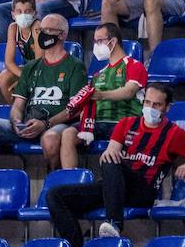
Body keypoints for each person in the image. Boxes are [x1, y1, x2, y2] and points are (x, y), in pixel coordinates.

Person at [47, 83, 185, 247]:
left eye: (157, 104)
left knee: (112, 160)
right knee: (55, 195)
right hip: (114, 187)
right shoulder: (126, 124)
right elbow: (110, 153)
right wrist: (109, 155)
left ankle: (114, 223)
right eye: (147, 102)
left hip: (143, 190)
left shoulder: (173, 133)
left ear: (167, 108)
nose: (150, 108)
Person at [0, 14, 86, 176]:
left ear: (61, 35)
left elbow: (76, 108)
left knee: (50, 139)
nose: (43, 34)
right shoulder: (31, 67)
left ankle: (55, 178)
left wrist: (45, 124)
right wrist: (16, 121)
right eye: (40, 30)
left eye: (48, 30)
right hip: (27, 123)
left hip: (53, 124)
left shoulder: (74, 66)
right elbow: (18, 104)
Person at [59, 22, 148, 169]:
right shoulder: (98, 74)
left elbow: (129, 91)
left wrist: (102, 95)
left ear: (112, 42)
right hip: (97, 123)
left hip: (122, 122)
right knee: (68, 134)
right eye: (95, 41)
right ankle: (71, 181)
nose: (96, 45)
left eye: (100, 41)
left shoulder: (134, 65)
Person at [0, 0, 42, 100]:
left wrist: (25, 80)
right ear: (13, 15)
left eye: (27, 12)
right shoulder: (13, 28)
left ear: (35, 14)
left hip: (44, 67)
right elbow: (9, 62)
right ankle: (16, 113)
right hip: (29, 68)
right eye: (19, 11)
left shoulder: (37, 26)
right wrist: (24, 78)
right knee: (3, 78)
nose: (23, 15)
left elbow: (40, 60)